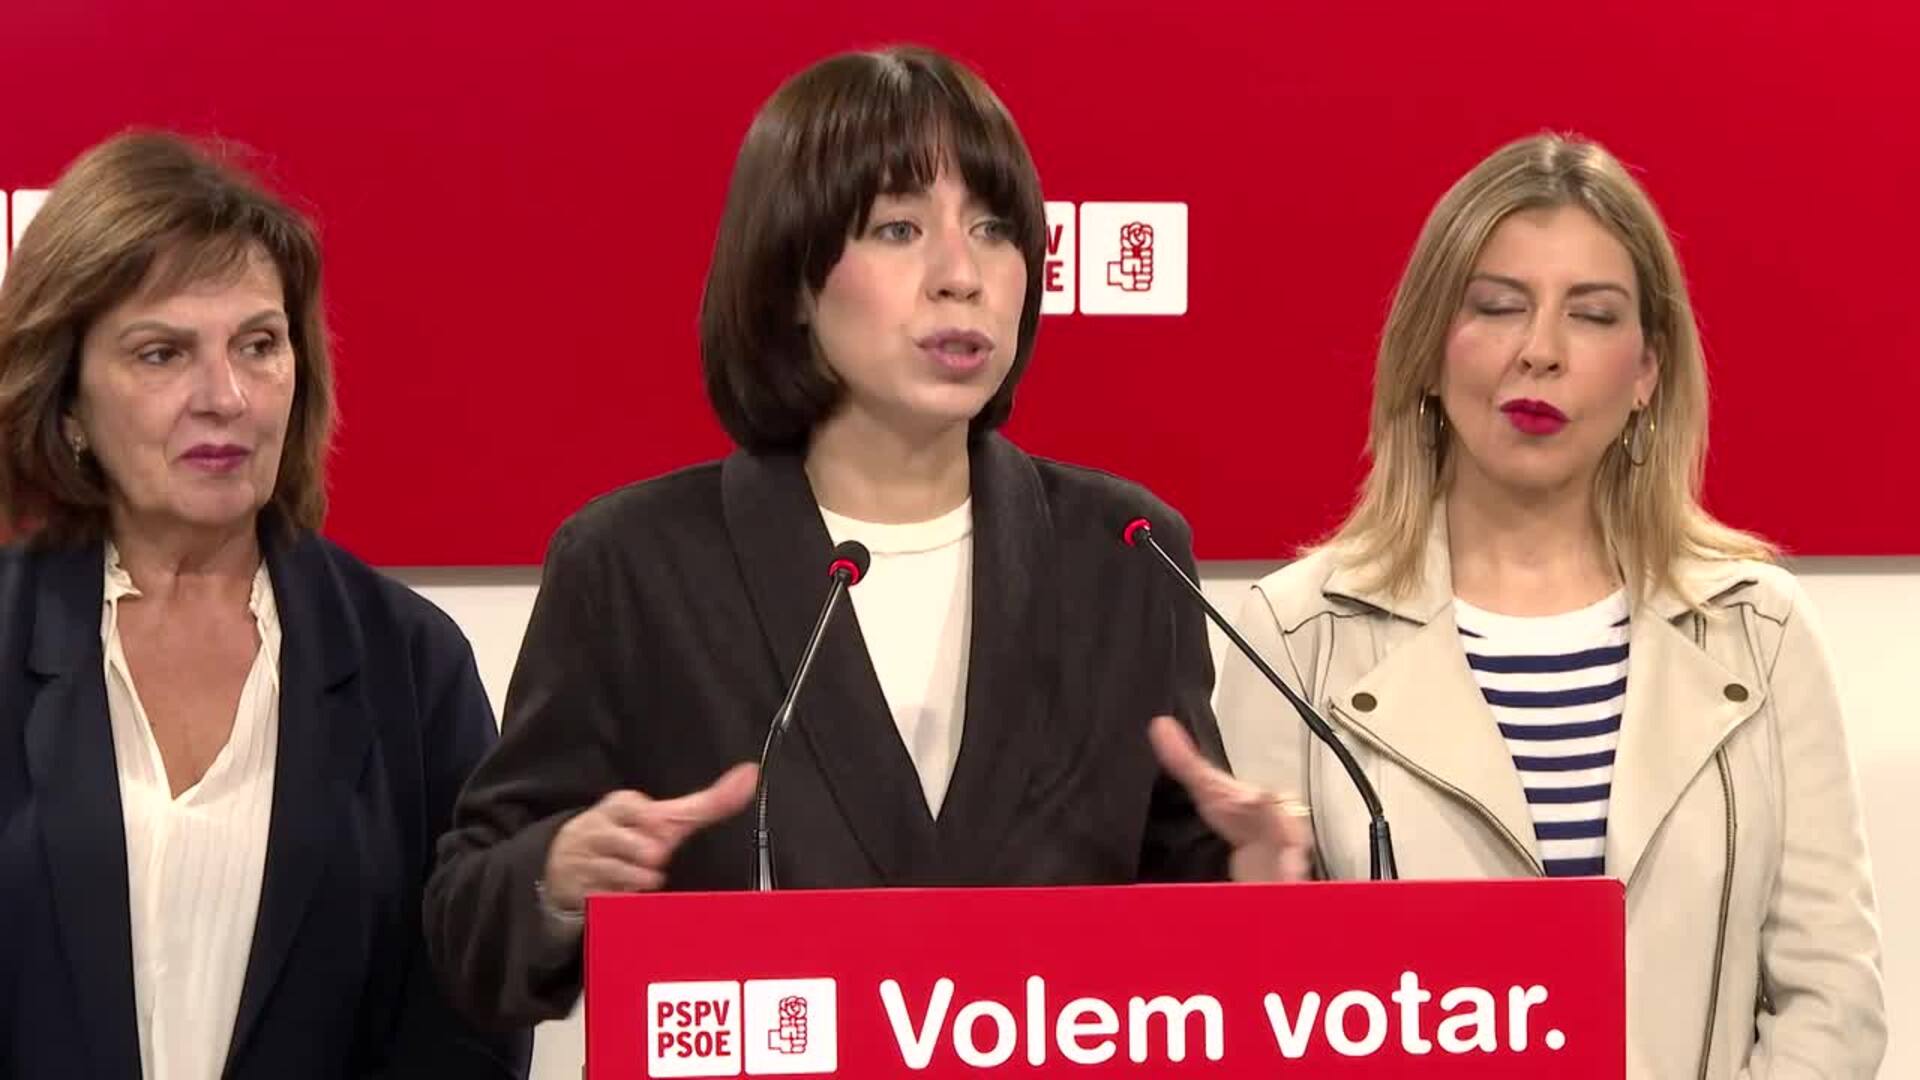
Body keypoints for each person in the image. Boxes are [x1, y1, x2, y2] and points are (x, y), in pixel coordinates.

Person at [425, 45, 1311, 1029]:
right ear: (794, 281)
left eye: (994, 230)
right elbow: (468, 927)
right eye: (899, 229)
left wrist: (1252, 886)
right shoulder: (635, 566)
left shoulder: (1124, 552)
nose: (961, 276)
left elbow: (1178, 914)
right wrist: (556, 879)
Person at [1215, 132, 1884, 1078]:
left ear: (1647, 372)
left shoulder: (1758, 630)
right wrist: (1248, 903)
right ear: (1429, 350)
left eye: (1593, 315)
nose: (1540, 352)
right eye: (1497, 307)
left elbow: (1832, 998)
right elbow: (1255, 1011)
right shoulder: (1295, 635)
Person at [0, 132, 530, 1078]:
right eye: (163, 353)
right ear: (68, 402)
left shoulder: (410, 663)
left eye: (258, 344)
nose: (227, 397)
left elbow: (466, 1017)